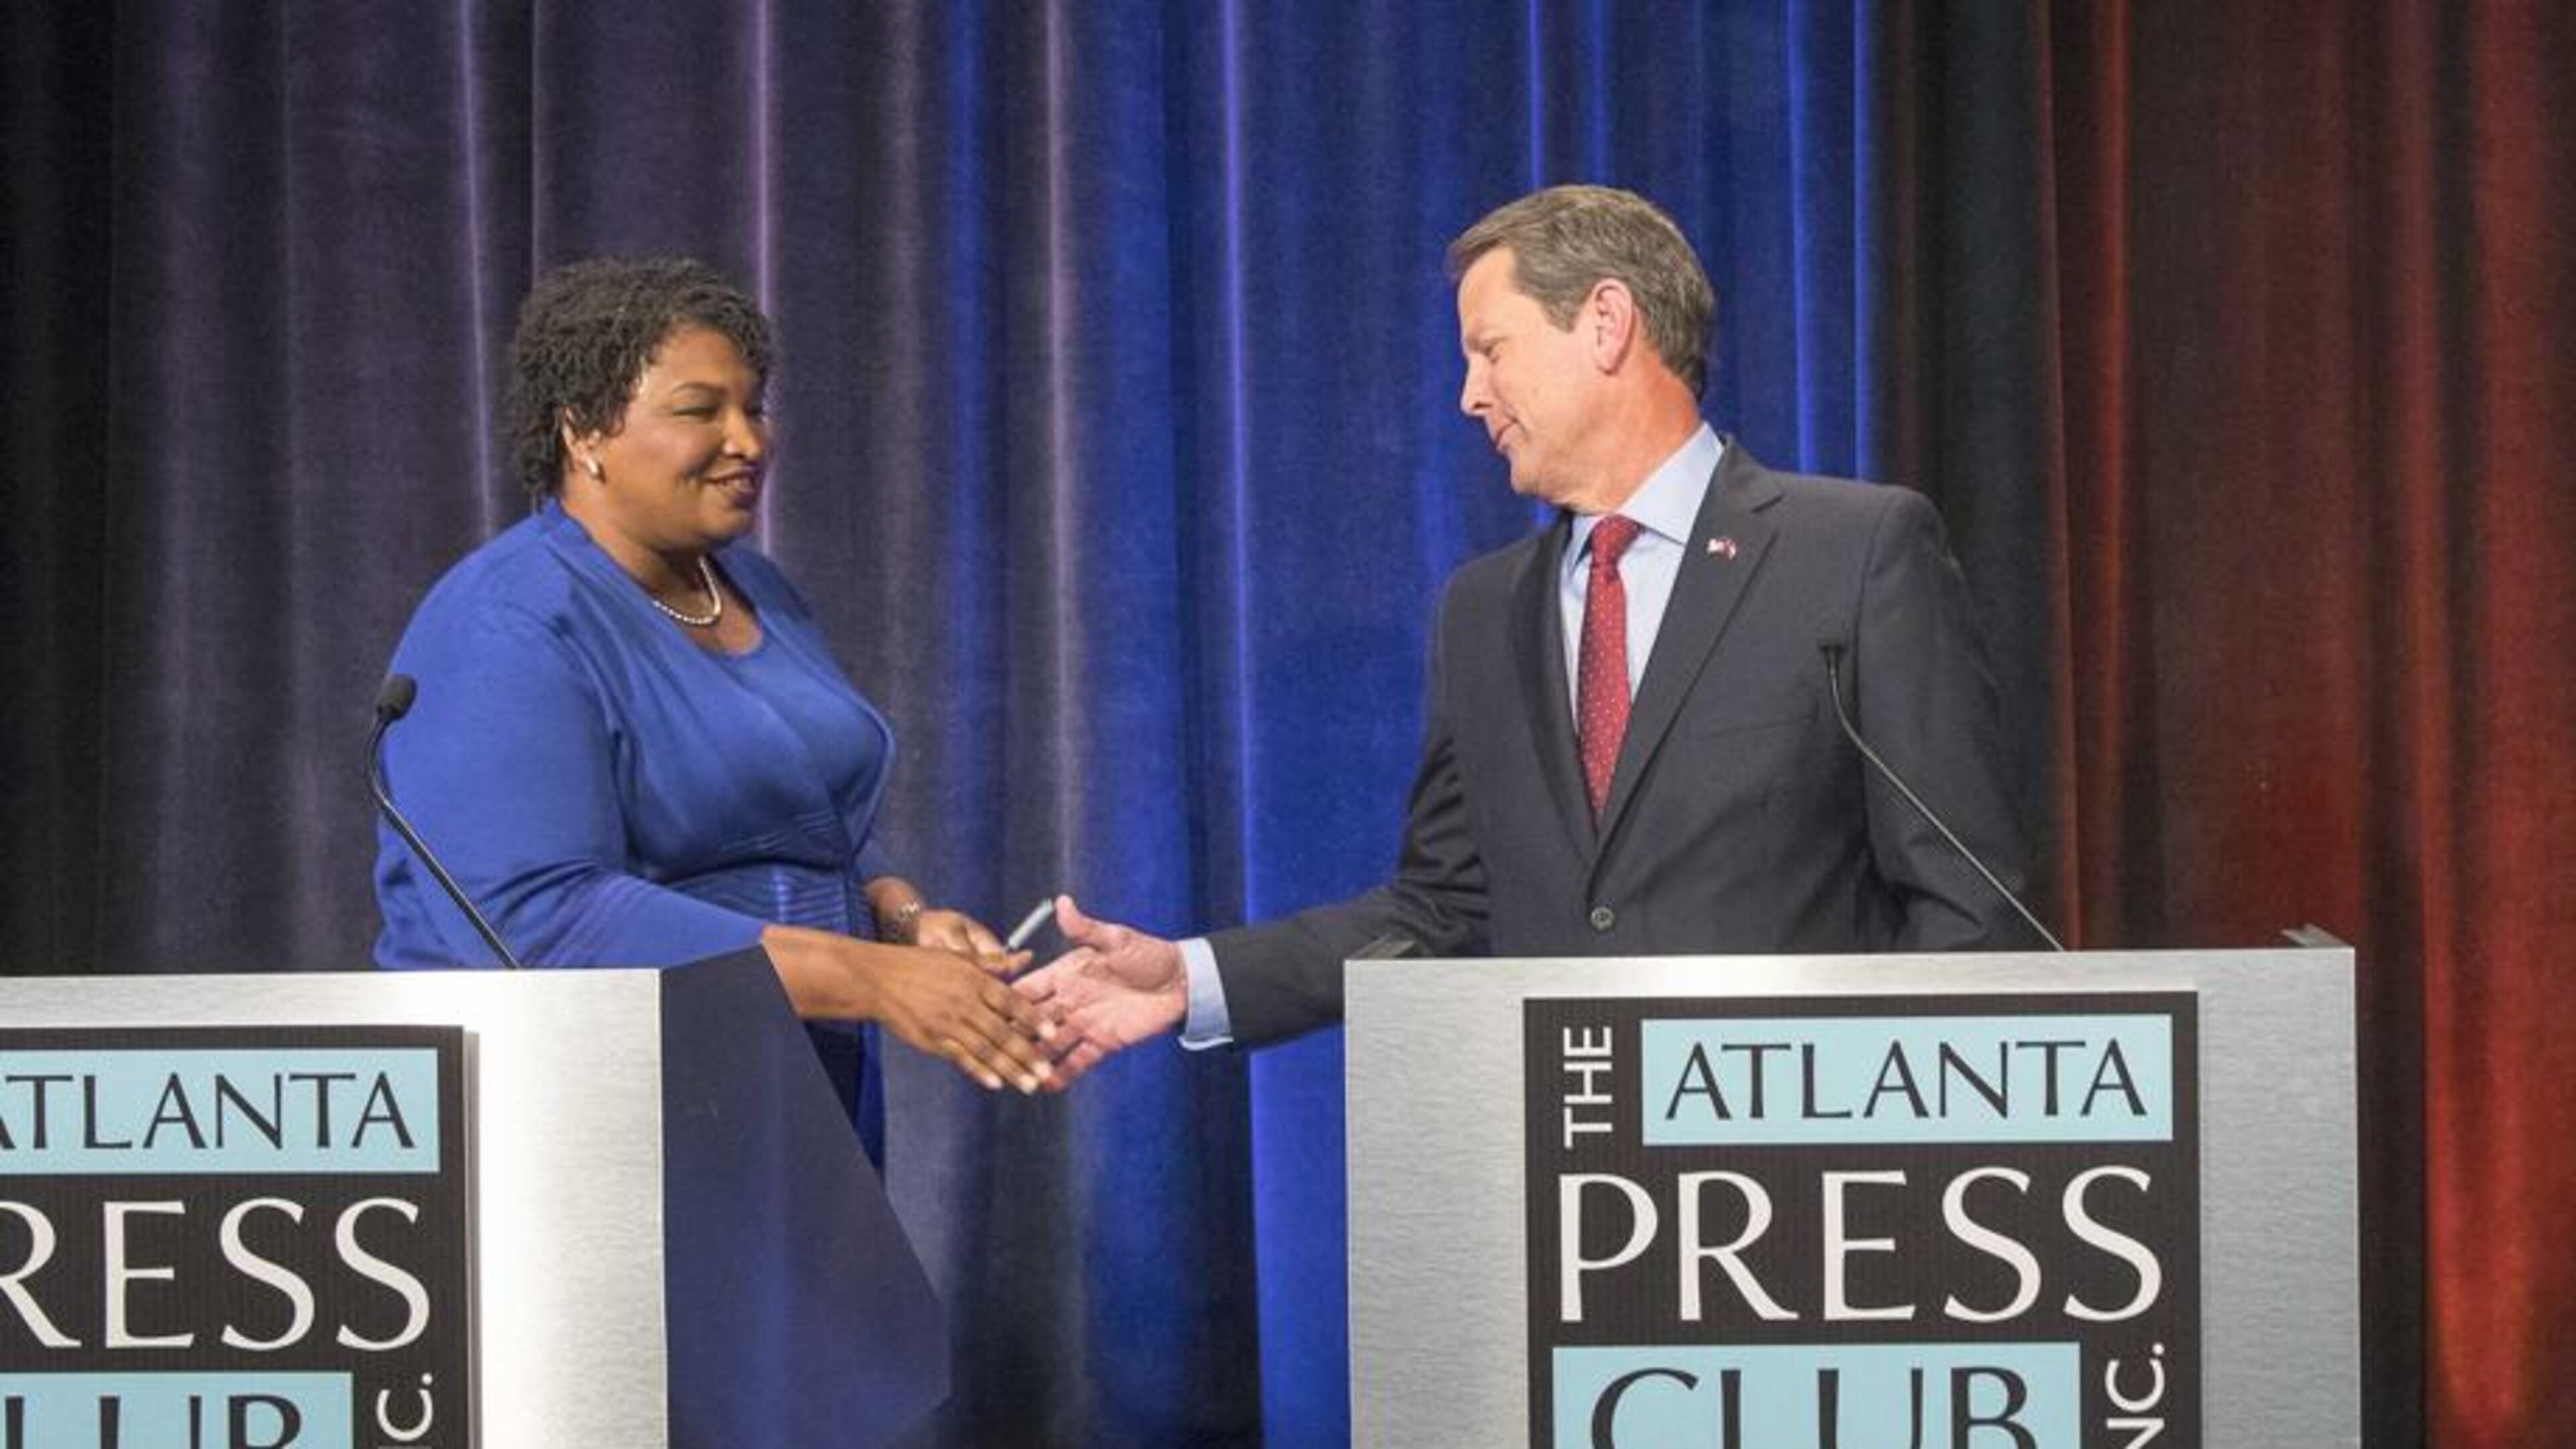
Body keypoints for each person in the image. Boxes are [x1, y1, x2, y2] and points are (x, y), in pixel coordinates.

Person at [1018, 184, 2031, 1077]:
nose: (1469, 395)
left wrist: (1866, 1126)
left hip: (1803, 1196)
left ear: (1605, 322)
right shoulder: (1483, 610)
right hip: (1565, 1192)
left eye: (1489, 349)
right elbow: (1442, 913)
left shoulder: (1850, 552)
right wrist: (1190, 981)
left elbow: (1968, 908)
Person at [374, 256, 1054, 1108]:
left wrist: (902, 918)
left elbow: (792, 811)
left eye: (755, 406)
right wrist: (869, 979)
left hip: (792, 1086)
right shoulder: (506, 621)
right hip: (595, 1109)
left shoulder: (754, 589)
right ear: (583, 434)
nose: (750, 440)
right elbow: (544, 918)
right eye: (702, 411)